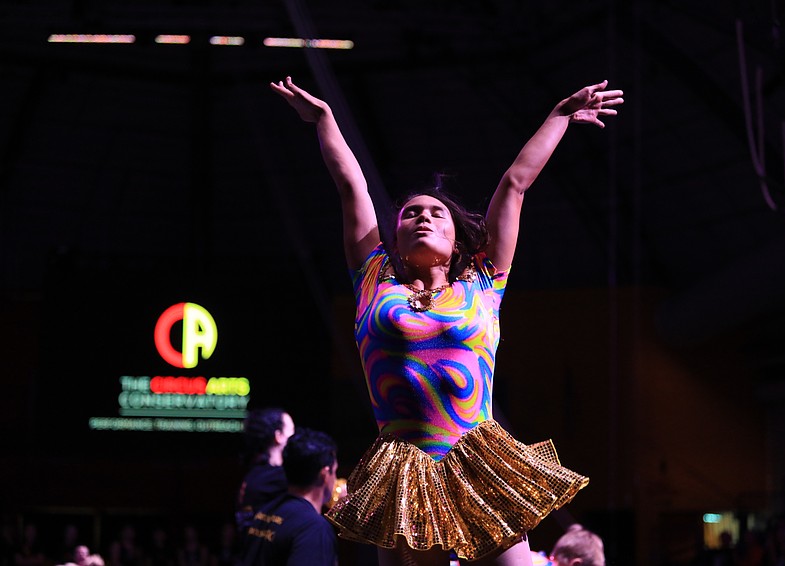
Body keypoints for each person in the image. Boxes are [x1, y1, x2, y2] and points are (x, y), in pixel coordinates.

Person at [270, 74, 623, 565]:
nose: (423, 217)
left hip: (478, 459)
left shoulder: (482, 282)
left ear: (457, 242)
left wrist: (559, 117)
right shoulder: (373, 278)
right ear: (394, 238)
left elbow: (515, 184)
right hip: (403, 472)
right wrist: (325, 120)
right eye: (410, 213)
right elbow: (351, 186)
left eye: (437, 213)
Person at [241, 428, 339, 566]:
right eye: (335, 472)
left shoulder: (264, 512)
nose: (335, 479)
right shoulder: (314, 528)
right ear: (324, 474)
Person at [235, 408, 295, 540]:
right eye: (292, 431)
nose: (296, 437)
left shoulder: (257, 473)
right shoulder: (276, 478)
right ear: (278, 436)